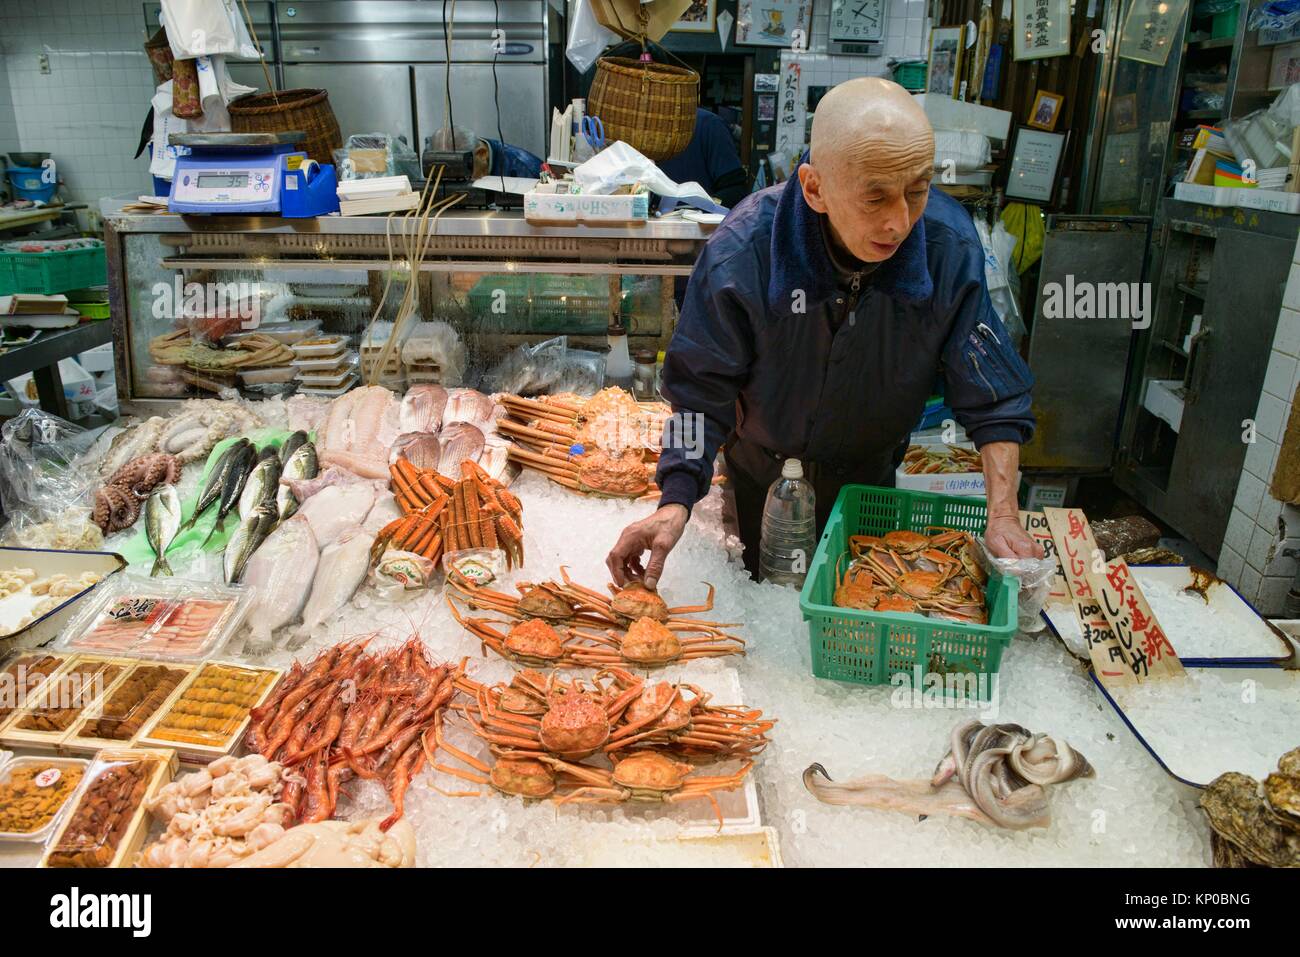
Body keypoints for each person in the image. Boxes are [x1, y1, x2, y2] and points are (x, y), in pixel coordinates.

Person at [606, 77, 1043, 589]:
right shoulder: (744, 252)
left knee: (857, 614)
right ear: (815, 188)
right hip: (759, 482)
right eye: (874, 198)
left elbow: (993, 397)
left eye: (917, 191)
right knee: (765, 619)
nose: (899, 222)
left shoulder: (947, 246)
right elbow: (698, 398)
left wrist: (1005, 514)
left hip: (870, 487)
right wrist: (676, 498)